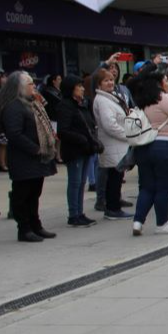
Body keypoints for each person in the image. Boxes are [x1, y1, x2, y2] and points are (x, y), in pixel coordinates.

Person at [0, 71, 57, 242]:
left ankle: (36, 225)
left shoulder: (31, 103)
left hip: (36, 160)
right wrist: (35, 149)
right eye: (29, 84)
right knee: (23, 195)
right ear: (19, 87)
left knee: (34, 194)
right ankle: (24, 228)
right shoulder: (14, 106)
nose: (33, 86)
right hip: (24, 159)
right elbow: (15, 134)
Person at [127, 63, 168, 236]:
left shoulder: (141, 98)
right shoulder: (162, 97)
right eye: (166, 80)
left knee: (147, 186)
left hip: (144, 147)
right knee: (165, 187)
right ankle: (162, 223)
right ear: (159, 83)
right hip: (167, 146)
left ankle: (138, 221)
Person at [56, 75, 102, 227]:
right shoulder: (65, 105)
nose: (82, 89)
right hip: (74, 150)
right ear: (71, 89)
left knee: (82, 182)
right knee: (75, 182)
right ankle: (73, 214)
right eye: (79, 86)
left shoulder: (82, 104)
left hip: (85, 149)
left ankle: (79, 212)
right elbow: (63, 131)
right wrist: (81, 138)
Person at [91, 67, 133, 219]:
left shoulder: (110, 98)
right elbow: (110, 125)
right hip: (113, 144)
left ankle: (113, 207)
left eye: (111, 80)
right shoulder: (102, 101)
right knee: (114, 179)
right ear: (99, 84)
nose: (110, 83)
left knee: (116, 178)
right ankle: (112, 209)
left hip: (118, 145)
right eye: (106, 80)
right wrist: (128, 136)